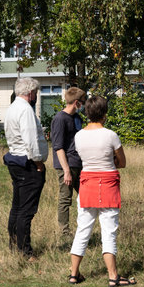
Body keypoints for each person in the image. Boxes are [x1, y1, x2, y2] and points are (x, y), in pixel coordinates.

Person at [68, 95, 136, 287]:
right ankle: (113, 276)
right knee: (109, 231)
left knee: (83, 229)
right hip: (108, 184)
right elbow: (122, 162)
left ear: (87, 113)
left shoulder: (79, 135)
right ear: (104, 114)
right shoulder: (111, 135)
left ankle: (74, 273)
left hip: (87, 183)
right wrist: (112, 162)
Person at [3, 77, 48, 260]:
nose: (36, 96)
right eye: (36, 93)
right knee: (26, 210)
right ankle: (25, 252)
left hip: (16, 160)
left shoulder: (12, 107)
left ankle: (14, 245)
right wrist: (38, 162)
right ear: (31, 93)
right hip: (27, 163)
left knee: (17, 207)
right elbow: (30, 139)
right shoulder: (26, 110)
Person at [50, 87, 87, 236]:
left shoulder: (77, 118)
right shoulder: (59, 119)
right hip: (66, 165)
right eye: (83, 103)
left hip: (79, 164)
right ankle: (64, 232)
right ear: (77, 103)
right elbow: (58, 147)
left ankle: (83, 228)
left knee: (85, 197)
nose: (84, 106)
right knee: (66, 199)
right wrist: (66, 171)